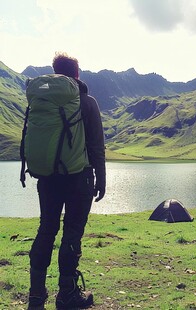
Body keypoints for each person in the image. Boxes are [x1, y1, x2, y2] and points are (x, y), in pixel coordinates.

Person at [26, 52, 106, 310]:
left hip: (47, 178)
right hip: (78, 178)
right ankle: (67, 295)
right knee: (72, 233)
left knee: (46, 229)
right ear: (77, 74)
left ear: (54, 71)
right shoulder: (87, 102)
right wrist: (101, 179)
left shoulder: (41, 101)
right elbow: (96, 145)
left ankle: (36, 296)